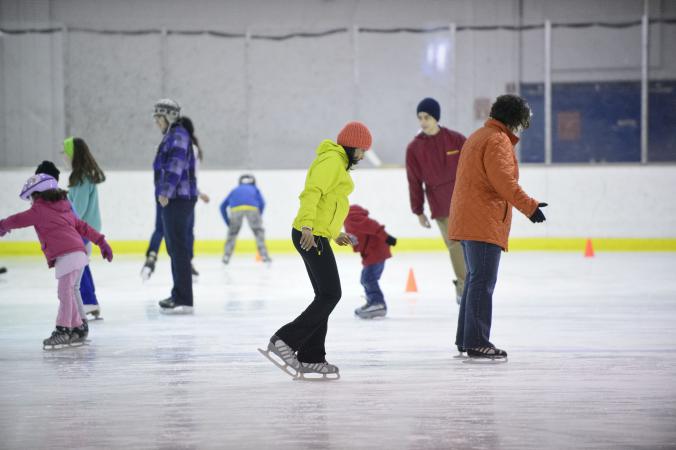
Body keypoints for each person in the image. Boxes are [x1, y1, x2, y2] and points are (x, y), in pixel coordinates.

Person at [259, 121, 372, 380]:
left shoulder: (337, 163)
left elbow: (327, 205)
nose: (364, 155)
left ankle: (311, 357)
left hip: (318, 234)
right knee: (331, 294)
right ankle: (285, 340)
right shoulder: (332, 162)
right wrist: (308, 226)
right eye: (363, 149)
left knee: (325, 295)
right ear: (352, 146)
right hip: (309, 234)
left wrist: (335, 234)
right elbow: (311, 194)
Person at [449, 94, 547, 361]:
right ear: (514, 118)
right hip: (482, 220)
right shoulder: (496, 140)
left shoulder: (480, 136)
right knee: (482, 282)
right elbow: (503, 181)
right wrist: (530, 206)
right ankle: (478, 341)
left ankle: (466, 339)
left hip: (470, 217)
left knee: (474, 280)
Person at [0, 174, 113, 350]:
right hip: (79, 255)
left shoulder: (39, 210)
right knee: (72, 290)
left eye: (31, 197)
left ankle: (63, 330)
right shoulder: (65, 207)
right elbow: (83, 226)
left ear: (38, 194)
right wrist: (101, 241)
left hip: (67, 256)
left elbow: (18, 220)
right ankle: (78, 326)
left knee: (65, 293)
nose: (31, 201)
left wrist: (2, 226)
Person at [406, 97, 467, 304]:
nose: (423, 121)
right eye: (420, 117)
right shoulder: (414, 148)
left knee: (473, 245)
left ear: (436, 118)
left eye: (427, 117)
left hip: (466, 202)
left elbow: (474, 168)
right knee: (456, 245)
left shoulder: (456, 140)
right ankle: (463, 287)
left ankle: (474, 285)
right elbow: (414, 181)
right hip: (441, 206)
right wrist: (418, 211)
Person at [141, 115, 209, 281]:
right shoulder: (191, 148)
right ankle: (187, 261)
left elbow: (167, 172)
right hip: (181, 196)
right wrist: (197, 193)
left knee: (161, 227)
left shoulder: (167, 144)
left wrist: (163, 191)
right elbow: (187, 175)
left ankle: (151, 258)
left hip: (165, 192)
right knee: (186, 229)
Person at [152, 99, 198, 314]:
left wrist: (165, 191)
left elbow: (175, 166)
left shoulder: (177, 135)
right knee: (175, 247)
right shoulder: (174, 135)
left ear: (167, 116)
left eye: (157, 118)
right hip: (178, 199)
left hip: (177, 199)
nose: (156, 123)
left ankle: (183, 297)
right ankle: (180, 294)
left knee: (177, 248)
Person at [62, 139, 105, 320]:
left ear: (73, 155)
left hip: (83, 229)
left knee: (79, 265)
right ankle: (91, 301)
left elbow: (78, 208)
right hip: (87, 228)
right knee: (82, 265)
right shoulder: (82, 175)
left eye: (65, 152)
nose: (63, 156)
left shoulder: (80, 177)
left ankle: (88, 301)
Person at [343, 204, 396, 319]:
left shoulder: (350, 217)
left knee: (368, 278)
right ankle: (373, 302)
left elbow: (372, 226)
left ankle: (378, 303)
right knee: (366, 278)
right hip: (372, 252)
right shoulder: (347, 219)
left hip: (375, 251)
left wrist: (387, 237)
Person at [220, 174, 270, 264]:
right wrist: (259, 216)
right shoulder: (255, 189)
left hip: (236, 209)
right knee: (258, 232)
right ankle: (264, 256)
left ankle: (226, 256)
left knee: (232, 234)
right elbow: (262, 203)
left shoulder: (235, 190)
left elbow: (222, 206)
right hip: (252, 209)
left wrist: (228, 222)